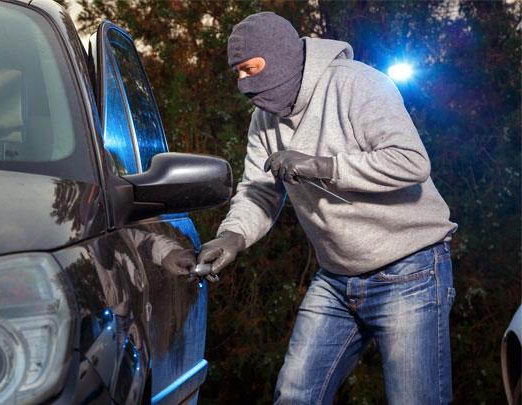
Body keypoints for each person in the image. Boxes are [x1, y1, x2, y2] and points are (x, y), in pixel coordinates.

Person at [196, 12, 458, 404]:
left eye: (250, 70)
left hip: (410, 270)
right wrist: (232, 235)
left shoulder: (359, 83)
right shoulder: (263, 120)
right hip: (337, 278)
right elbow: (259, 191)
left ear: (280, 58)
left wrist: (324, 166)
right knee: (295, 394)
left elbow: (411, 162)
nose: (244, 84)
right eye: (237, 74)